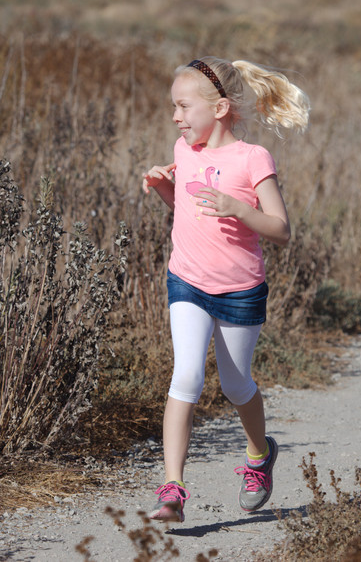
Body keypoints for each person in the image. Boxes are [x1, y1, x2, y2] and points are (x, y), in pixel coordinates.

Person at [141, 56, 310, 523]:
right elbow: (188, 209)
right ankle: (172, 488)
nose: (176, 117)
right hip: (188, 282)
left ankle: (259, 456)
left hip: (240, 292)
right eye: (174, 108)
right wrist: (162, 188)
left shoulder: (253, 158)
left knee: (236, 385)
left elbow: (280, 229)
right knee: (187, 376)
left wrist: (238, 207)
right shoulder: (183, 150)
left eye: (183, 107)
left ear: (218, 109)